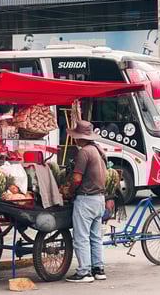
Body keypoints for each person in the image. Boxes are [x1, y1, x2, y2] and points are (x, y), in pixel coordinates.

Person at [65, 120, 107, 283]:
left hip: (86, 199)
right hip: (99, 199)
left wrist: (69, 191)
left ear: (80, 137)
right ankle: (98, 269)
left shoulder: (84, 152)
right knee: (95, 236)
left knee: (81, 237)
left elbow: (76, 178)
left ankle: (84, 272)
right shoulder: (98, 149)